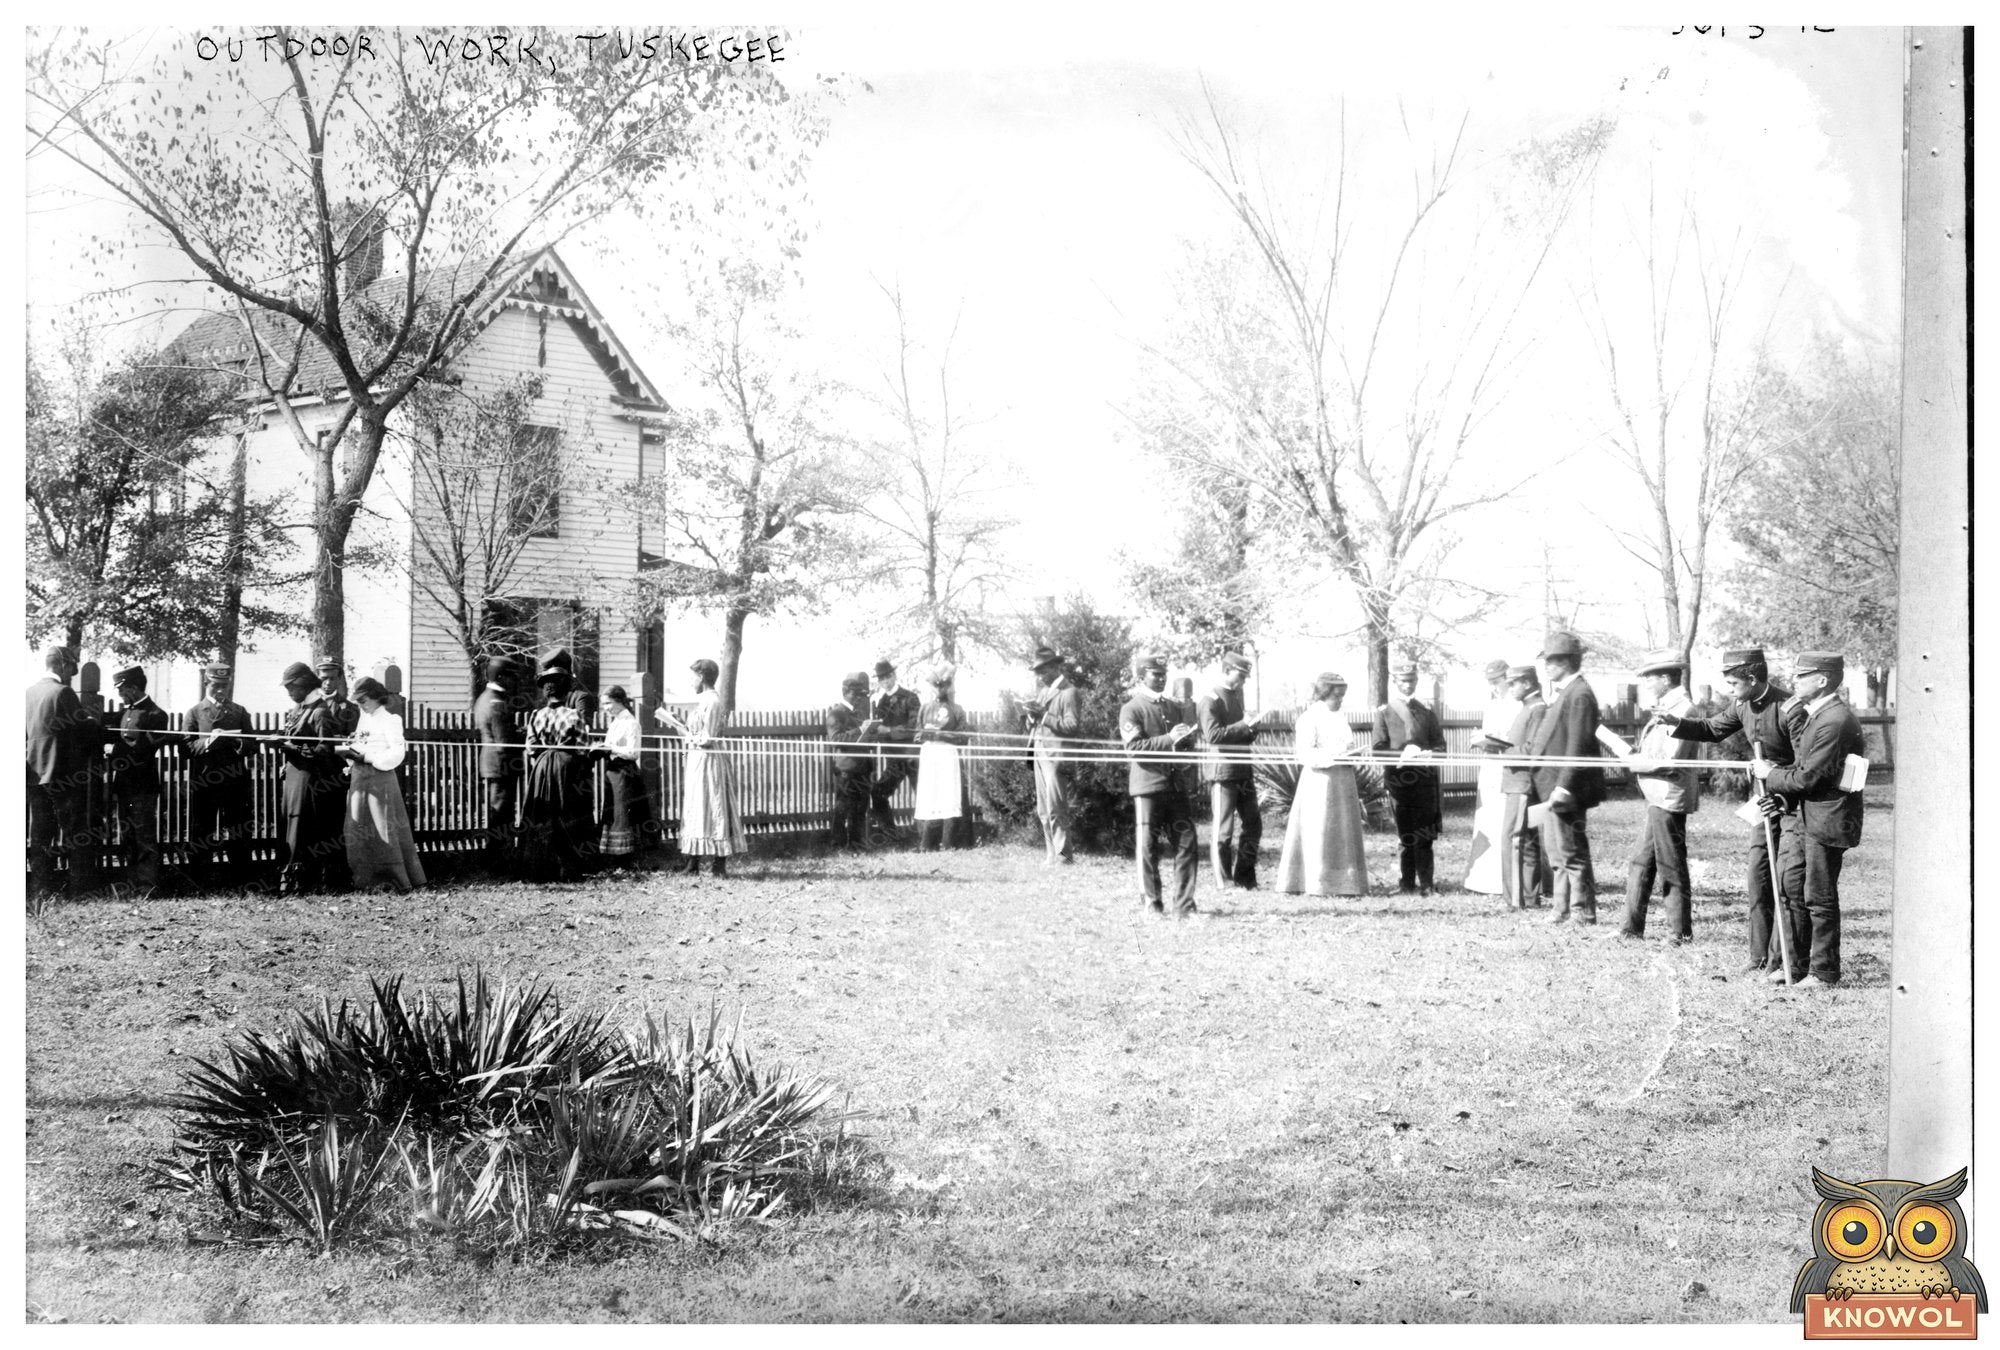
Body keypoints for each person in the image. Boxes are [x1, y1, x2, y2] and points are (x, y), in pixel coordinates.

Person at [1654, 646, 1801, 976]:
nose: (1729, 690)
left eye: (1733, 683)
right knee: (1758, 875)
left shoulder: (1789, 708)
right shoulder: (1742, 704)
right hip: (1761, 800)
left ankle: (1783, 961)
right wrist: (1676, 722)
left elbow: (1808, 766)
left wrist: (1779, 783)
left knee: (1786, 881)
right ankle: (1758, 956)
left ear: (1751, 678)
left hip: (1794, 802)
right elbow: (1711, 729)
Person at [1757, 652, 1865, 988]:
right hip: (1806, 816)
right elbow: (1805, 775)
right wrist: (1781, 796)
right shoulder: (1815, 716)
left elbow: (1810, 778)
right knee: (1792, 889)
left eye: (1802, 676)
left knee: (1818, 896)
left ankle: (1824, 972)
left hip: (1828, 820)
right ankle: (1794, 966)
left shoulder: (1835, 720)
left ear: (1822, 680)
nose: (1794, 681)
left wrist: (1770, 775)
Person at [1621, 650, 1703, 943]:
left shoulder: (1683, 709)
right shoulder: (1667, 706)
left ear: (1666, 679)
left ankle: (1679, 932)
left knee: (1671, 863)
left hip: (1669, 797)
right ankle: (1630, 929)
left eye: (1649, 678)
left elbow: (1671, 759)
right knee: (1641, 862)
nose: (1645, 684)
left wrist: (1632, 762)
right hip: (1657, 795)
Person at [1528, 631, 1606, 924]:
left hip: (1568, 789)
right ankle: (1560, 910)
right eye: (1546, 660)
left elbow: (1578, 746)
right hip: (1552, 788)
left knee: (1571, 852)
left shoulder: (1580, 694)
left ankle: (1582, 912)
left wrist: (1563, 786)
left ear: (1570, 661)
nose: (1546, 666)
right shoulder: (1565, 693)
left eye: (1553, 660)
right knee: (1556, 854)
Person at [1119, 653, 1201, 919]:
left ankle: (1184, 905)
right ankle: (1152, 903)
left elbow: (1183, 744)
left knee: (1187, 843)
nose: (1162, 678)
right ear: (1141, 676)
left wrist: (1188, 740)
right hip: (1148, 787)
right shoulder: (1132, 708)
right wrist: (1169, 738)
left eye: (1164, 674)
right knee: (1148, 846)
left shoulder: (1173, 707)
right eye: (1155, 674)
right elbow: (1134, 749)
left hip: (1175, 786)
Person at [1275, 672, 1369, 897]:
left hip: (1343, 782)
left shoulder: (1340, 717)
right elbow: (1305, 754)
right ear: (1324, 694)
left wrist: (1352, 753)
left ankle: (1345, 884)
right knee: (1319, 830)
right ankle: (1316, 883)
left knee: (1342, 830)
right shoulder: (1309, 718)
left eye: (1343, 696)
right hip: (1320, 782)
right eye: (1336, 696)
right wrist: (1335, 756)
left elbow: (1347, 743)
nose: (1340, 700)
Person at [658, 658, 746, 875]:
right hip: (698, 761)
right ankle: (693, 863)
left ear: (701, 677)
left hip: (710, 762)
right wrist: (683, 724)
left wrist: (685, 734)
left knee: (714, 806)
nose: (690, 682)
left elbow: (708, 737)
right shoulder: (704, 701)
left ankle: (718, 865)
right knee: (697, 808)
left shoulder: (713, 702)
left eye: (692, 677)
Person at [338, 676, 426, 892]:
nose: (361, 705)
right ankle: (366, 879)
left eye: (364, 700)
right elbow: (361, 744)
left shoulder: (390, 719)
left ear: (377, 698)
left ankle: (394, 880)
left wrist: (368, 758)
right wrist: (349, 755)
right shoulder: (364, 718)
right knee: (358, 828)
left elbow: (397, 752)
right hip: (360, 779)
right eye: (358, 701)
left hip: (379, 779)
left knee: (383, 828)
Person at [1372, 661, 1447, 896]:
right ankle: (1406, 884)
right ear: (1395, 682)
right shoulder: (1385, 712)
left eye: (1411, 680)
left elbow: (1441, 745)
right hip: (1399, 781)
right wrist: (1401, 754)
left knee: (1424, 834)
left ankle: (1427, 884)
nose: (1408, 684)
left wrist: (1431, 754)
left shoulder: (1426, 711)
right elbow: (1378, 748)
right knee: (1406, 834)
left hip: (1424, 780)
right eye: (1403, 680)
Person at [27, 645, 96, 896]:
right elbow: (82, 733)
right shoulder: (63, 692)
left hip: (35, 779)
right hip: (63, 778)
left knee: (40, 838)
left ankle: (41, 891)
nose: (72, 675)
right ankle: (79, 891)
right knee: (75, 835)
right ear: (63, 666)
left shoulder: (27, 694)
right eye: (71, 669)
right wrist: (92, 723)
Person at [276, 661, 348, 896]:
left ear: (305, 686)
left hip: (310, 780)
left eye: (292, 688)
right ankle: (292, 880)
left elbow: (325, 751)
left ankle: (305, 881)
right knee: (291, 826)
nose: (289, 693)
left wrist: (289, 748)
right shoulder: (297, 710)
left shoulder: (320, 712)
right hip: (294, 778)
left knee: (305, 829)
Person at [182, 660, 255, 890]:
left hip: (234, 780)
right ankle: (199, 882)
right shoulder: (194, 712)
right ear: (206, 683)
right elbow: (186, 746)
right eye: (216, 686)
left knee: (237, 829)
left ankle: (241, 882)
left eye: (225, 686)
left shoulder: (239, 711)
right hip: (205, 780)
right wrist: (207, 743)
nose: (221, 691)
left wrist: (237, 742)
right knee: (202, 830)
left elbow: (250, 743)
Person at [521, 661, 595, 881]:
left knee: (542, 813)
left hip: (543, 767)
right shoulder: (574, 716)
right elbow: (583, 747)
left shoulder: (536, 715)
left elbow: (531, 747)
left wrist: (544, 756)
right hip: (566, 767)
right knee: (566, 813)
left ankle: (540, 868)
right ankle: (567, 870)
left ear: (546, 692)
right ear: (566, 690)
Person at [1198, 651, 1264, 890]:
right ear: (1226, 671)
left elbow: (1240, 733)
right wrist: (1243, 725)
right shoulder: (1210, 699)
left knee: (1254, 825)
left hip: (1243, 771)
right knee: (1223, 830)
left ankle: (1245, 878)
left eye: (1246, 677)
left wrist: (1253, 728)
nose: (1244, 681)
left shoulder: (1236, 697)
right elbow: (1213, 735)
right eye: (1241, 675)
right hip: (1223, 772)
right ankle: (1223, 881)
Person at [104, 665, 168, 891]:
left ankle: (147, 887)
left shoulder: (157, 715)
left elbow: (144, 750)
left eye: (121, 690)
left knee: (144, 838)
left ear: (132, 688)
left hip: (143, 786)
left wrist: (115, 750)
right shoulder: (124, 713)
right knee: (127, 836)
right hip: (124, 785)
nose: (119, 695)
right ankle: (132, 884)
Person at [1497, 665, 1551, 909]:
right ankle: (1529, 898)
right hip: (1518, 783)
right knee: (1527, 842)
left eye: (1513, 684)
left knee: (1513, 840)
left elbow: (1532, 750)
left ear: (1528, 683)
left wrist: (1499, 749)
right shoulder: (1529, 708)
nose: (1510, 689)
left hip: (1523, 784)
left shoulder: (1538, 709)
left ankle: (1516, 900)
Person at [1462, 659, 1517, 895]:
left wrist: (1494, 740)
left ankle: (1504, 878)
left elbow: (1513, 737)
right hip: (1490, 765)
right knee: (1487, 817)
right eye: (1491, 683)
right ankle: (1484, 876)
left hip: (1506, 764)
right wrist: (1481, 740)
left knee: (1503, 819)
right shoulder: (1492, 705)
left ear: (1507, 679)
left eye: (1497, 682)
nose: (1495, 687)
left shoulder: (1517, 705)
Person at [1023, 646, 1081, 866]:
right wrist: (1030, 717)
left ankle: (1064, 856)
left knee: (1056, 807)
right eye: (1037, 672)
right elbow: (1038, 722)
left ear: (1057, 667)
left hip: (1056, 756)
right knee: (1043, 808)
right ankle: (1051, 853)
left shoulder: (1069, 692)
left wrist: (1045, 716)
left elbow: (1072, 726)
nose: (1039, 676)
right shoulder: (1043, 692)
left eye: (1043, 670)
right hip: (1038, 750)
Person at [913, 664, 973, 851]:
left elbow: (963, 737)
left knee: (949, 795)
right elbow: (916, 735)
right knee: (929, 795)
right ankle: (926, 843)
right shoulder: (924, 709)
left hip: (948, 755)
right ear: (932, 687)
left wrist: (942, 735)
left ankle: (948, 842)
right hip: (930, 756)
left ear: (949, 686)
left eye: (944, 685)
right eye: (936, 686)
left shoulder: (957, 709)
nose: (940, 689)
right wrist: (924, 735)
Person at [596, 685, 655, 868]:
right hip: (612, 771)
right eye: (603, 704)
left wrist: (611, 748)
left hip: (625, 772)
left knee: (623, 813)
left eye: (608, 703)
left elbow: (633, 752)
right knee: (612, 812)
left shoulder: (631, 722)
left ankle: (626, 859)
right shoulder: (615, 722)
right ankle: (612, 856)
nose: (606, 708)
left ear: (620, 701)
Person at [474, 656, 522, 874]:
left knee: (499, 815)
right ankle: (497, 864)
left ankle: (497, 861)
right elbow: (505, 741)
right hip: (502, 764)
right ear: (502, 677)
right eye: (512, 676)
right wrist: (526, 736)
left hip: (494, 763)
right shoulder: (496, 701)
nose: (515, 681)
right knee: (501, 816)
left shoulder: (485, 697)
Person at [866, 658, 922, 843]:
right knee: (878, 793)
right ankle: (891, 835)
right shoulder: (880, 702)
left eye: (888, 677)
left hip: (912, 757)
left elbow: (913, 727)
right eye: (881, 679)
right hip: (894, 760)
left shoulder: (910, 697)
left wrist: (888, 731)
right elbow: (878, 731)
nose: (885, 681)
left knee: (922, 797)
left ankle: (921, 836)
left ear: (894, 675)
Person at [825, 672, 879, 852]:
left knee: (860, 808)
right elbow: (836, 739)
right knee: (842, 808)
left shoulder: (860, 713)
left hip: (863, 767)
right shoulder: (836, 714)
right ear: (845, 693)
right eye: (855, 695)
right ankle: (838, 845)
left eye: (861, 695)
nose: (858, 698)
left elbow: (864, 738)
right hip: (846, 769)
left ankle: (857, 845)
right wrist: (859, 730)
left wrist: (870, 733)